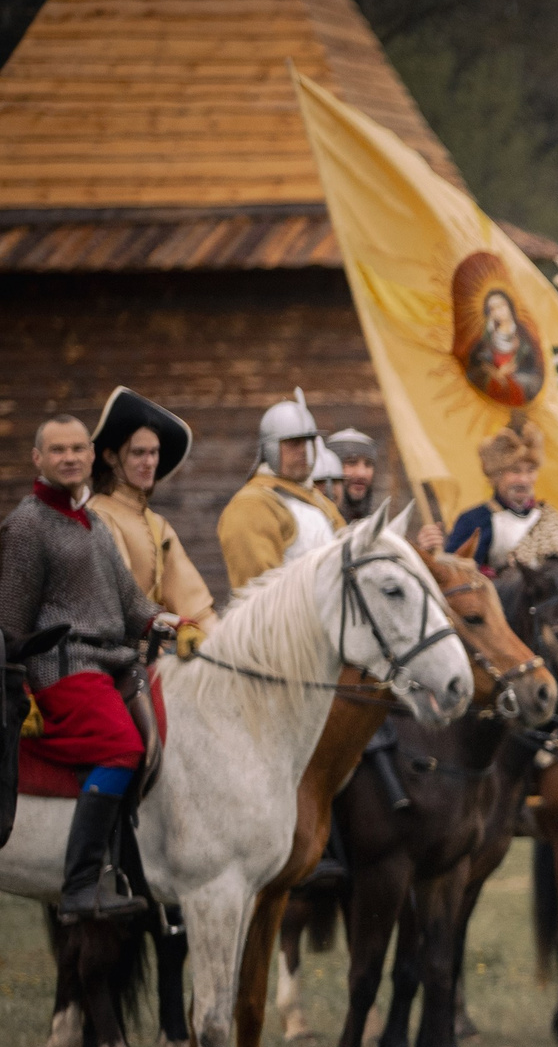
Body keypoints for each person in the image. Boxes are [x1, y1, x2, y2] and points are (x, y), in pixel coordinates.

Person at [1, 414, 182, 920]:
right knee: (123, 747)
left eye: (78, 449)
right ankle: (81, 885)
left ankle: (134, 865)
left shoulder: (92, 522)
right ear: (38, 459)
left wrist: (170, 622)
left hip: (114, 662)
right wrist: (20, 689)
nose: (70, 458)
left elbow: (129, 602)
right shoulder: (27, 525)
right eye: (58, 450)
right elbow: (9, 622)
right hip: (64, 667)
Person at [86, 388, 215, 630]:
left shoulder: (158, 524)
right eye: (139, 453)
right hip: (114, 651)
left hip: (155, 646)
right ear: (111, 457)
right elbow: (121, 602)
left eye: (154, 452)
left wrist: (224, 647)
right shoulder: (99, 515)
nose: (150, 462)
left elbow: (197, 608)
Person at [215, 389, 342, 593]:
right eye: (294, 443)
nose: (304, 450)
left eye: (309, 441)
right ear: (271, 448)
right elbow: (260, 594)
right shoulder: (252, 504)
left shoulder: (319, 501)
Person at [446, 417, 558, 574]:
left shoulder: (548, 518)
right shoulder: (475, 520)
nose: (524, 480)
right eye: (515, 471)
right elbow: (456, 574)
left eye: (530, 471)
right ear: (497, 475)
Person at [325, 428, 380, 523]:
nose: (361, 473)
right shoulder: (316, 522)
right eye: (351, 463)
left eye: (368, 464)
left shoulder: (377, 527)